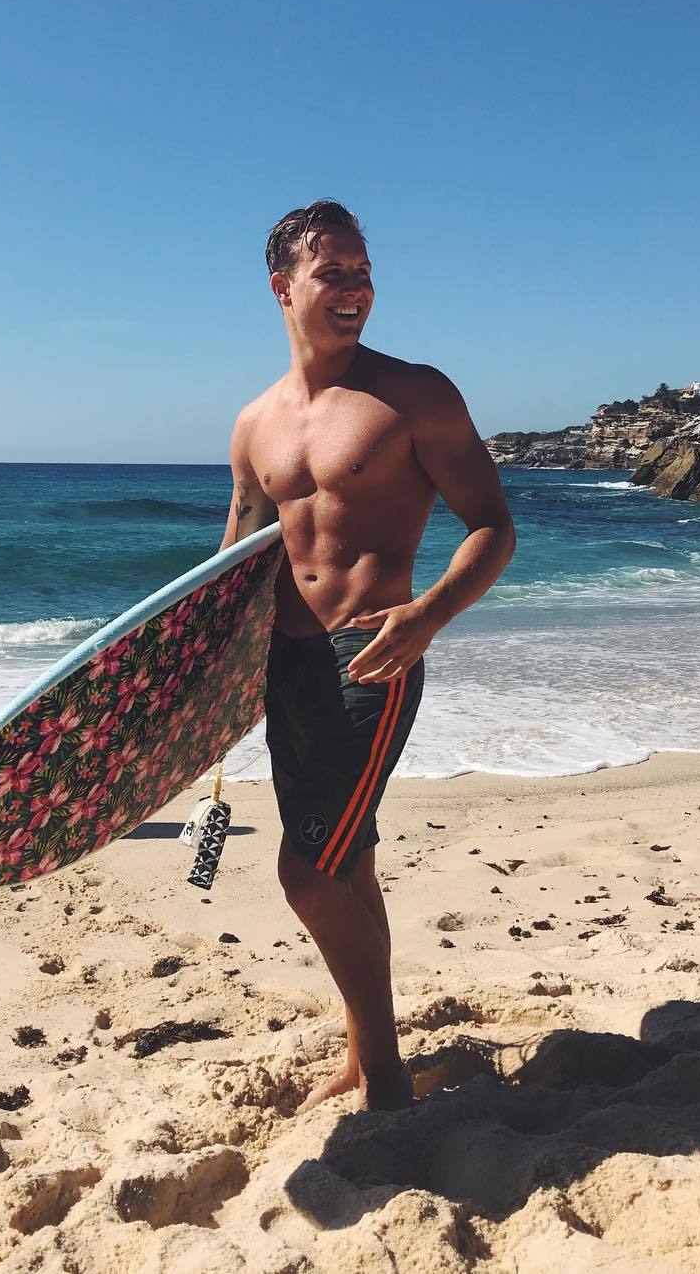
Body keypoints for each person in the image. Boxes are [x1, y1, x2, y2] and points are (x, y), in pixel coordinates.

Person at [220, 201, 516, 1111]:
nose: (356, 290)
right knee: (349, 869)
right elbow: (229, 570)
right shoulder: (254, 424)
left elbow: (493, 529)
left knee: (305, 874)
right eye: (333, 273)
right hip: (286, 669)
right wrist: (197, 696)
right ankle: (365, 1054)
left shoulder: (414, 395)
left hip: (370, 660)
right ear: (283, 288)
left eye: (363, 271)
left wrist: (426, 616)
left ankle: (386, 1085)